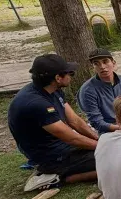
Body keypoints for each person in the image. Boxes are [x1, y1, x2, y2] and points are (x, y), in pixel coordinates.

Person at [8, 54, 99, 185]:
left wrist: (98, 139)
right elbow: (71, 138)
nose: (71, 76)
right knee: (111, 160)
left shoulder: (53, 90)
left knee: (110, 153)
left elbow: (74, 121)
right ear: (58, 78)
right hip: (51, 157)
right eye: (70, 73)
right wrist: (104, 147)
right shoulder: (37, 104)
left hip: (62, 146)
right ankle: (57, 178)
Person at [76, 48, 121, 134]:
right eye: (96, 63)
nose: (102, 67)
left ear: (113, 63)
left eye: (105, 61)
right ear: (93, 67)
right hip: (107, 132)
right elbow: (97, 122)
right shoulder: (87, 90)